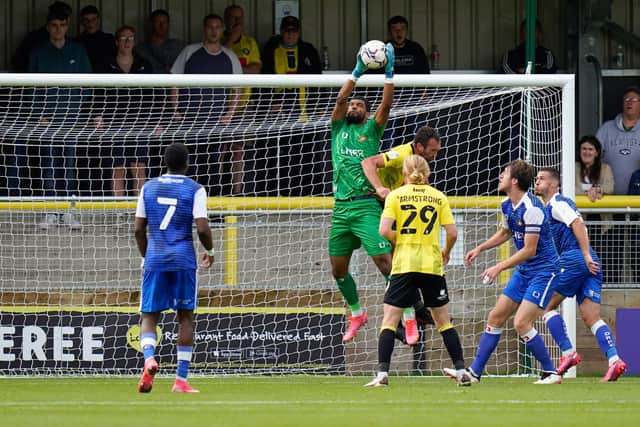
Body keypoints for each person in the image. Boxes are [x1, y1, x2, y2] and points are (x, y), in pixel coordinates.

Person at [444, 160, 561, 384]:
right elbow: (505, 232)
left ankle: (551, 372)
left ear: (515, 180)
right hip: (525, 270)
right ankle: (474, 373)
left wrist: (499, 266)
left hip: (545, 271)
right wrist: (480, 248)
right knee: (496, 317)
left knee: (521, 323)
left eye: (504, 173)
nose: (500, 176)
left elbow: (529, 249)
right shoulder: (507, 204)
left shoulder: (533, 209)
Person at [365, 155, 467, 387]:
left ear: (404, 172)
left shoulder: (395, 196)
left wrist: (400, 238)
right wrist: (447, 251)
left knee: (390, 321)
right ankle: (461, 370)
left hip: (404, 265)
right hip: (431, 265)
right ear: (427, 173)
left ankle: (382, 374)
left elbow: (383, 230)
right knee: (443, 322)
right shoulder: (438, 196)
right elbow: (452, 233)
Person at [534, 167, 628, 382]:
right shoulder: (551, 207)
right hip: (588, 262)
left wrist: (584, 254)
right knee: (591, 317)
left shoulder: (557, 203)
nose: (537, 182)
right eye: (536, 179)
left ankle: (568, 353)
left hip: (576, 259)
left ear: (554, 184)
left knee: (546, 305)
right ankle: (614, 360)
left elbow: (578, 223)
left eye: (542, 179)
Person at [134, 142, 215, 394]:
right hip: (183, 260)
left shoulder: (148, 187)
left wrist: (147, 256)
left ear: (165, 163)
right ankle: (180, 380)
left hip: (156, 258)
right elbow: (201, 227)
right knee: (186, 318)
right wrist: (210, 251)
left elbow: (138, 229)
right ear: (187, 163)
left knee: (149, 316)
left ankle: (149, 359)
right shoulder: (195, 189)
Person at [329, 42, 395, 343]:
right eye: (352, 105)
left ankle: (407, 315)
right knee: (338, 269)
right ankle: (357, 313)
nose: (353, 107)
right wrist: (356, 72)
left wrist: (388, 73)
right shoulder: (338, 128)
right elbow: (341, 98)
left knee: (385, 262)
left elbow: (386, 106)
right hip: (341, 209)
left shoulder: (372, 129)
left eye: (359, 106)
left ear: (367, 114)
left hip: (367, 205)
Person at [361, 125, 442, 342]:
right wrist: (380, 188)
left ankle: (412, 313)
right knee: (391, 264)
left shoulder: (419, 168)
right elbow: (368, 162)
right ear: (419, 147)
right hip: (373, 205)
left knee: (404, 265)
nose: (435, 156)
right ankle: (407, 316)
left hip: (395, 210)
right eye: (432, 151)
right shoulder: (401, 155)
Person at [26, 7, 92, 229]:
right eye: (54, 25)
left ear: (68, 25)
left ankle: (68, 212)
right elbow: (31, 88)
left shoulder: (78, 51)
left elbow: (88, 86)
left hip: (71, 121)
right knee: (49, 166)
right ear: (48, 27)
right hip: (47, 122)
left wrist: (79, 111)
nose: (58, 29)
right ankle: (50, 212)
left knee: (70, 167)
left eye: (63, 25)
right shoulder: (38, 53)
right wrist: (38, 114)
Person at [170, 14, 242, 195]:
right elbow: (173, 81)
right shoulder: (190, 51)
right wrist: (176, 109)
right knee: (188, 166)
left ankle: (212, 210)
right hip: (190, 122)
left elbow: (237, 89)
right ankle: (188, 208)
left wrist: (229, 114)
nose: (214, 30)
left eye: (217, 27)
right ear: (204, 28)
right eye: (210, 27)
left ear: (222, 29)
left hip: (215, 123)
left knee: (213, 167)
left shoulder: (229, 56)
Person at [94, 25, 154, 199]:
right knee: (117, 168)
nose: (127, 42)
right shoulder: (105, 65)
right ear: (116, 42)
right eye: (123, 38)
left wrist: (156, 120)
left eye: (131, 38)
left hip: (139, 124)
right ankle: (118, 209)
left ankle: (139, 207)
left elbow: (153, 96)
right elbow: (98, 93)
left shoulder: (144, 65)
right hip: (113, 123)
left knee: (138, 167)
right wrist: (98, 115)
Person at [574, 135, 617, 283]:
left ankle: (606, 285)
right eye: (584, 149)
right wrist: (588, 193)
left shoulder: (605, 169)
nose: (587, 152)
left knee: (604, 255)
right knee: (582, 257)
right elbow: (570, 188)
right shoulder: (573, 167)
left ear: (597, 152)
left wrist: (598, 189)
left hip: (602, 221)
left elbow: (610, 187)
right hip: (580, 221)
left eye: (590, 149)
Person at [596, 86, 640, 196]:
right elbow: (592, 158)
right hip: (608, 196)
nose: (629, 102)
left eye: (634, 100)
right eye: (626, 99)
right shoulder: (606, 128)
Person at [10, 1, 72, 72]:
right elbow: (17, 61)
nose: (58, 29)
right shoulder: (34, 38)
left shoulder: (73, 45)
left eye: (62, 24)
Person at [135, 9, 185, 73]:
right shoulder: (141, 49)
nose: (161, 25)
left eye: (164, 22)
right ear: (151, 24)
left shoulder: (177, 46)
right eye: (158, 22)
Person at [75, 5, 116, 71]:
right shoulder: (77, 42)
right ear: (82, 21)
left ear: (98, 20)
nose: (90, 23)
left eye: (93, 19)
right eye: (86, 20)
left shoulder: (109, 40)